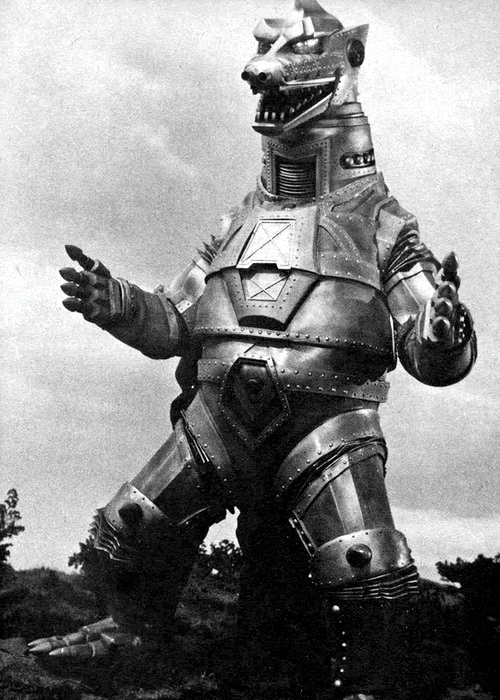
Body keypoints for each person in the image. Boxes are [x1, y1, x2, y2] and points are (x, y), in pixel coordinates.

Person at [29, 2, 476, 698]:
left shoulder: (383, 223)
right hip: (218, 420)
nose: (257, 75)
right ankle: (132, 631)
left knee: (363, 563)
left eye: (291, 57)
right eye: (263, 60)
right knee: (131, 524)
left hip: (328, 426)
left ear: (346, 65)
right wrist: (118, 303)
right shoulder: (236, 221)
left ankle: (375, 681)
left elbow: (427, 344)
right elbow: (175, 322)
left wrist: (442, 332)